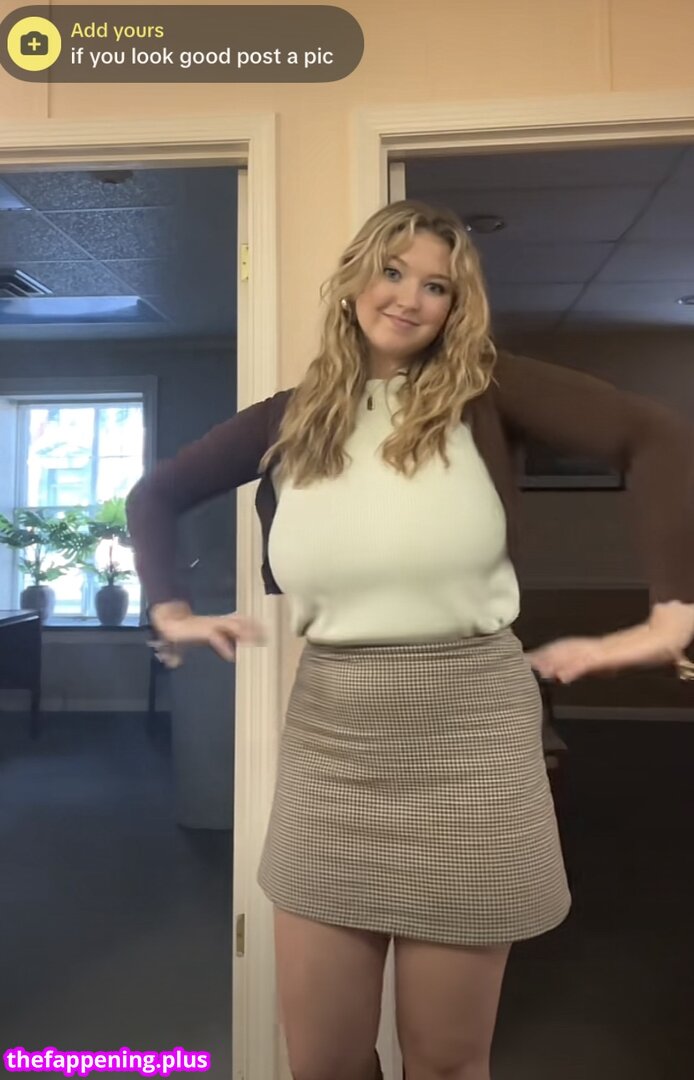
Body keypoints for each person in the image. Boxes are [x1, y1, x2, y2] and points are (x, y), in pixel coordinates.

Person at [126, 199, 694, 1080]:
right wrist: (168, 608)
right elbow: (154, 495)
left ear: (457, 307)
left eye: (437, 286)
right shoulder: (290, 418)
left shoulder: (487, 390)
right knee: (323, 1062)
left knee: (445, 1062)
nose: (409, 298)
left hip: (473, 744)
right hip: (332, 746)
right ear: (355, 278)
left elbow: (654, 435)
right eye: (393, 272)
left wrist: (674, 611)